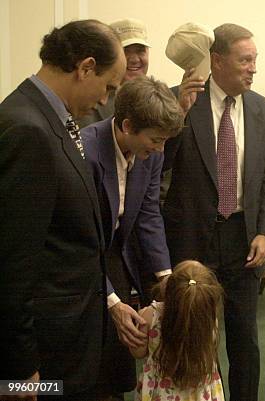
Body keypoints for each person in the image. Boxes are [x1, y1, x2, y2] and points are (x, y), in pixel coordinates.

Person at [0, 19, 125, 400]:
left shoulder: (52, 118)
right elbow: (12, 261)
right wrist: (19, 367)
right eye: (108, 86)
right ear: (85, 67)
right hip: (43, 354)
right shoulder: (28, 128)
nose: (106, 100)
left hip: (70, 336)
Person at [162, 23, 265, 401]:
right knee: (195, 335)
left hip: (243, 239)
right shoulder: (180, 100)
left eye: (254, 60)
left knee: (244, 337)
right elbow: (157, 165)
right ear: (216, 61)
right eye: (244, 60)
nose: (252, 68)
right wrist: (178, 115)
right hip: (192, 239)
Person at [81, 76, 184, 400]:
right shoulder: (85, 152)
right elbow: (81, 243)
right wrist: (112, 302)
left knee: (119, 360)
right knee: (88, 363)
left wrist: (165, 275)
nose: (160, 149)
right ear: (127, 126)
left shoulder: (152, 153)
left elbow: (149, 215)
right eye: (155, 139)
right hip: (80, 259)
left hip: (116, 256)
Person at [130, 260, 225, 401]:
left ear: (168, 289)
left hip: (159, 393)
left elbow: (137, 352)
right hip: (199, 393)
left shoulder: (151, 315)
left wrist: (141, 321)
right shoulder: (209, 321)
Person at [78, 18, 150, 127]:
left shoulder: (156, 98)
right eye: (125, 51)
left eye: (140, 51)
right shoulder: (89, 100)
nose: (134, 59)